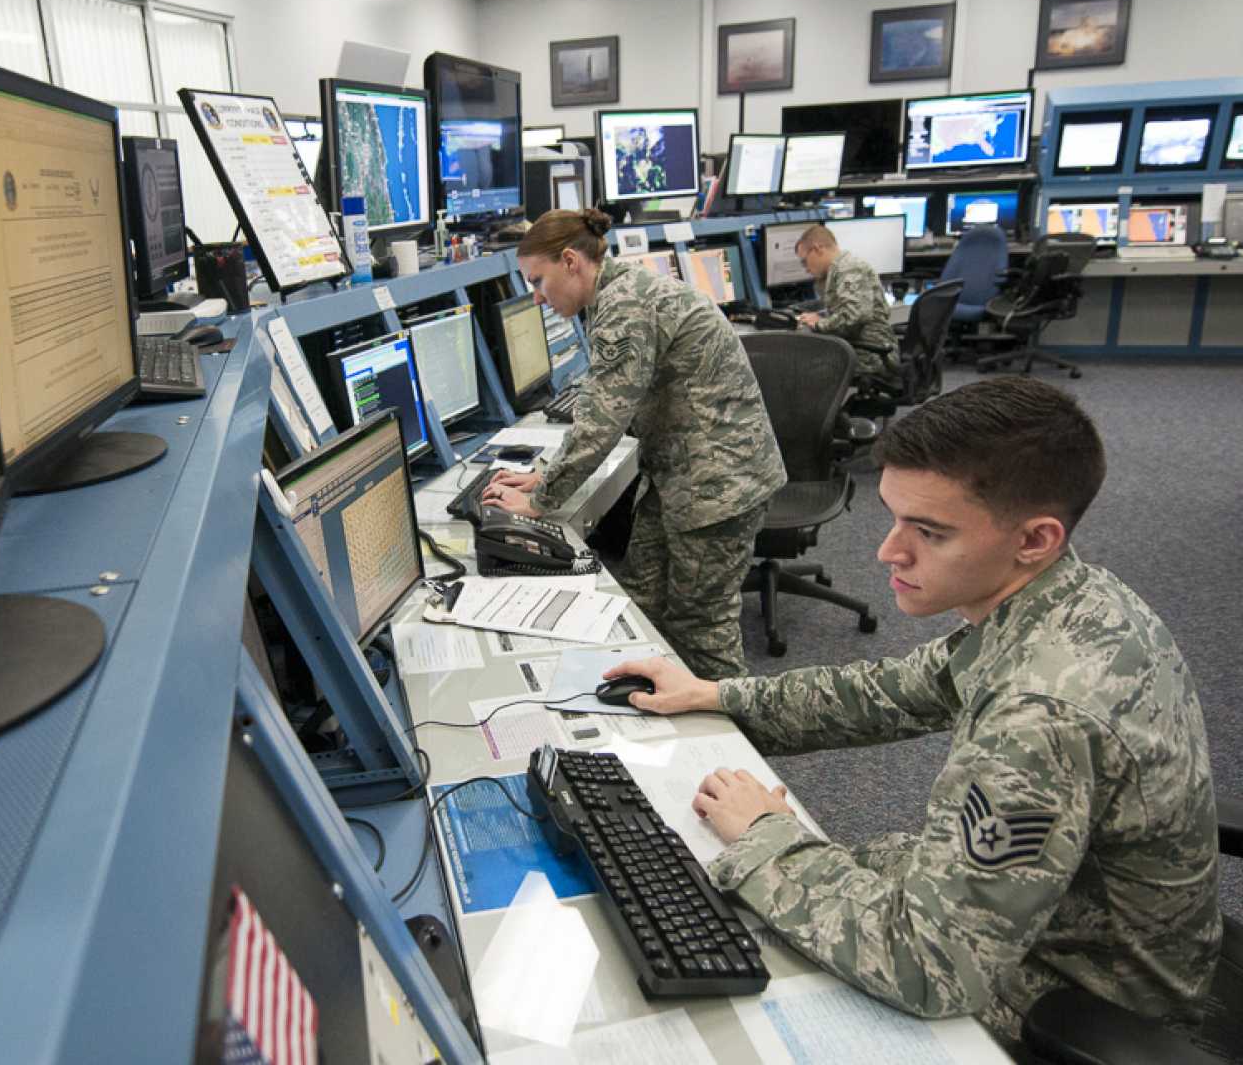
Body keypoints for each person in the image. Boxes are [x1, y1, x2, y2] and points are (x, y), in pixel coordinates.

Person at [603, 376, 1220, 1047]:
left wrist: (764, 837)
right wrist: (715, 694)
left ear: (1034, 539)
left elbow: (930, 967)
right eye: (894, 517)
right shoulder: (1065, 598)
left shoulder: (1040, 714)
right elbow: (895, 689)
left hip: (1082, 989)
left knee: (737, 976)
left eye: (928, 531)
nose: (888, 552)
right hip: (1058, 912)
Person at [482, 208, 785, 679]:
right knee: (642, 607)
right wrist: (546, 474)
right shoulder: (619, 293)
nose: (538, 298)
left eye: (538, 281)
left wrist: (540, 501)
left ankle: (732, 739)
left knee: (701, 631)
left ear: (570, 261)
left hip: (717, 486)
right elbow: (606, 399)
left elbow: (603, 418)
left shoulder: (624, 305)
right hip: (682, 475)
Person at [793, 223, 901, 384]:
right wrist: (820, 316)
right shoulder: (840, 269)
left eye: (804, 261)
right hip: (864, 347)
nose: (806, 269)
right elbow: (847, 309)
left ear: (817, 249)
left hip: (872, 354)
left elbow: (855, 317)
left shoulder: (848, 269)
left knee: (795, 364)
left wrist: (819, 324)